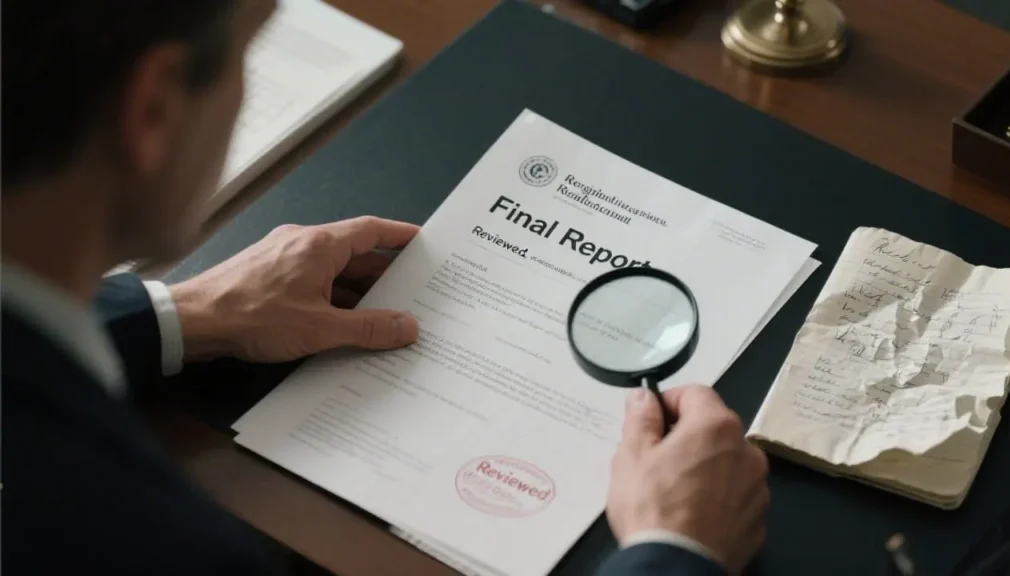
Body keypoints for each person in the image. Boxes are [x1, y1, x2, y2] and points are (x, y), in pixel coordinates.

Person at [2, 1, 769, 575]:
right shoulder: (139, 542)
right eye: (251, 56)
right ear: (154, 109)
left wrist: (175, 316)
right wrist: (674, 551)